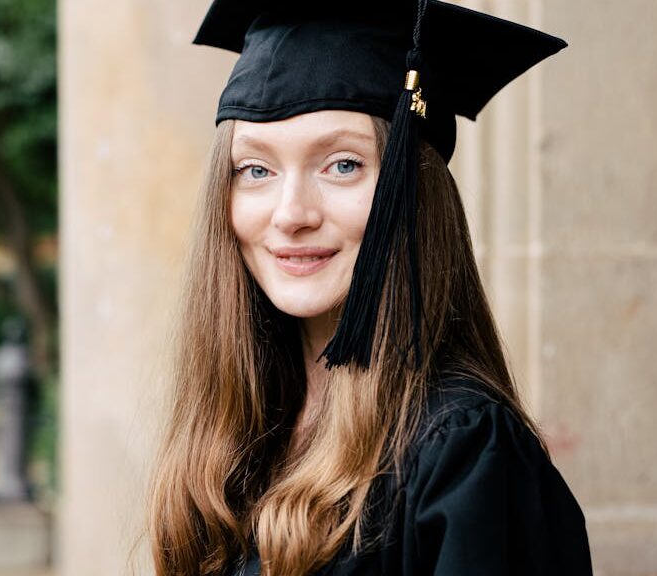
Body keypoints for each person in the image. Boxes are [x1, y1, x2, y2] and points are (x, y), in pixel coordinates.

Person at [149, 1, 592, 575]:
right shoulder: (239, 433)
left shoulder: (461, 451)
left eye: (342, 165)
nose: (291, 214)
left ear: (411, 192)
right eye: (256, 170)